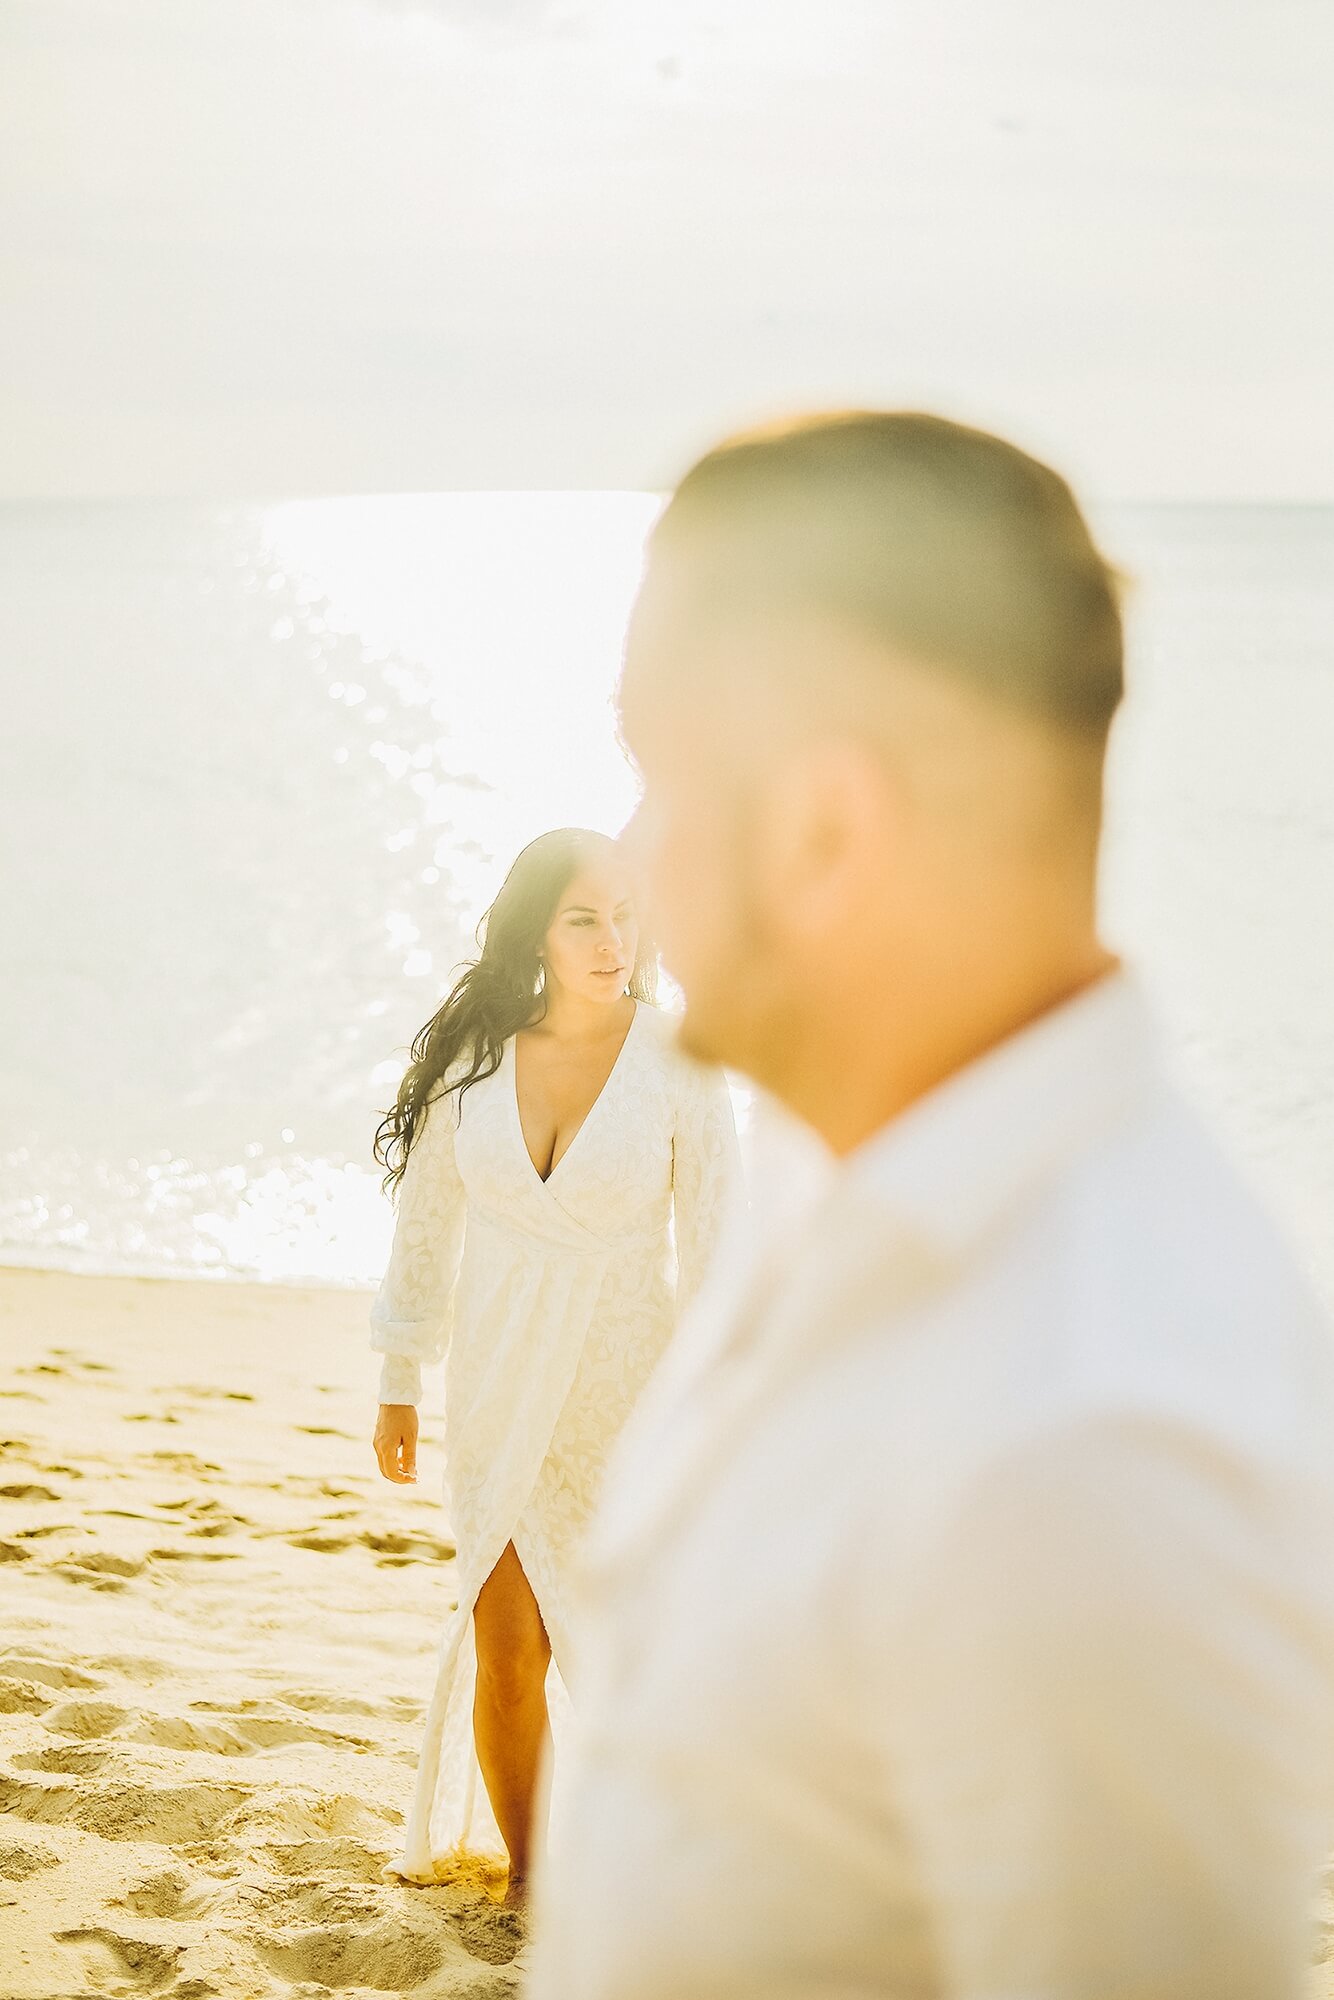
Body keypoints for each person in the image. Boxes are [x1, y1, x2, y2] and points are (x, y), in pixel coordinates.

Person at [527, 414, 1334, 1996]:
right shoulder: (841, 1169)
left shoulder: (1087, 1457)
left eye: (658, 776)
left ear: (830, 831)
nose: (631, 857)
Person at [369, 826, 738, 1903]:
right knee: (507, 1640)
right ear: (536, 926)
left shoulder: (680, 1060)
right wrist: (399, 1373)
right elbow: (427, 1225)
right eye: (584, 916)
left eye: (625, 915)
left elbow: (718, 1246)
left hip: (631, 1391)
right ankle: (534, 1879)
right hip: (496, 1382)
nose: (611, 939)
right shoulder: (477, 1060)